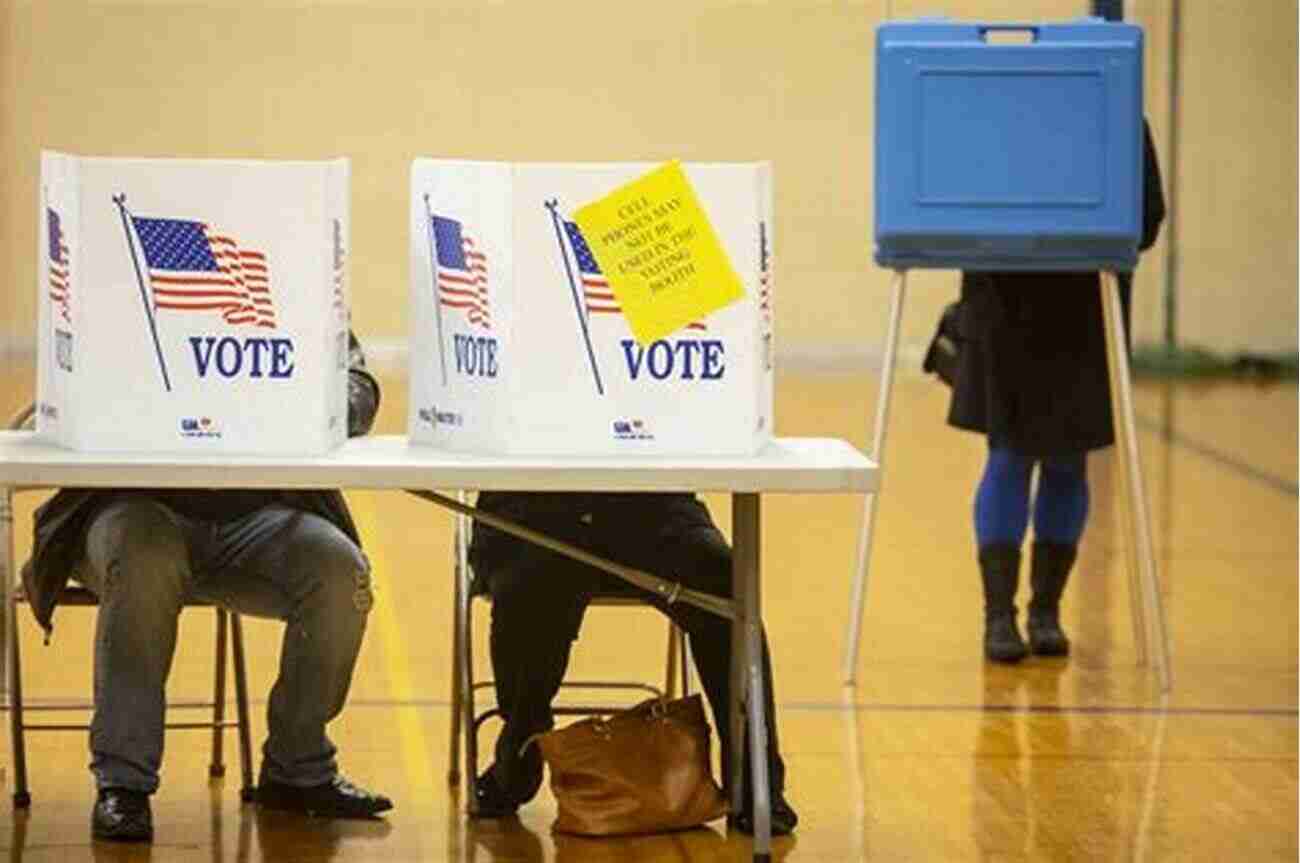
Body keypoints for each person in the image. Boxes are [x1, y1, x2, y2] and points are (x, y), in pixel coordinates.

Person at [21, 333, 393, 842]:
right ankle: (123, 782)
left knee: (338, 571)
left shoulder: (292, 272)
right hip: (128, 505)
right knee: (146, 556)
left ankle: (297, 766)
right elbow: (65, 384)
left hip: (256, 511)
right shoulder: (119, 274)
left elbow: (357, 387)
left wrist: (296, 399)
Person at [948, 120, 1166, 662]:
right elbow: (1147, 218)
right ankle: (1025, 614)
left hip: (1031, 294)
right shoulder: (1114, 112)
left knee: (1019, 456)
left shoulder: (995, 117)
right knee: (1044, 458)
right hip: (1068, 296)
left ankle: (1021, 616)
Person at [466, 491, 798, 836]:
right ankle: (520, 748)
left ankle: (756, 782)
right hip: (531, 510)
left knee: (724, 584)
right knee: (526, 587)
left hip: (650, 506)